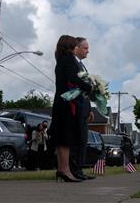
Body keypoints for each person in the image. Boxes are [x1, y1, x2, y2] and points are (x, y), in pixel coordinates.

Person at [48, 35, 92, 182]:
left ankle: (62, 169)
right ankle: (65, 170)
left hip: (60, 101)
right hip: (67, 103)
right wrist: (88, 86)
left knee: (61, 138)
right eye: (74, 46)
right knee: (65, 138)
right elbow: (73, 77)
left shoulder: (60, 59)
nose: (76, 48)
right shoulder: (68, 59)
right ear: (69, 47)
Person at [69, 37, 95, 180]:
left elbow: (86, 90)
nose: (88, 51)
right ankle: (74, 171)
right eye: (85, 48)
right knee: (77, 140)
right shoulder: (72, 63)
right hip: (76, 108)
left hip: (85, 109)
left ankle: (80, 169)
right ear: (77, 48)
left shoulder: (82, 66)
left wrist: (89, 108)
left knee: (83, 140)